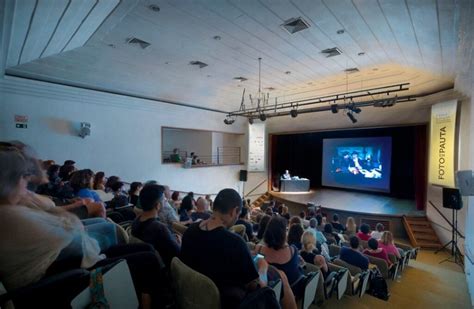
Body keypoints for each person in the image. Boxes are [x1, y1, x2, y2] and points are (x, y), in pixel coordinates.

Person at [0, 147, 164, 309]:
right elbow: (69, 230)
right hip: (61, 280)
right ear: (8, 182)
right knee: (148, 259)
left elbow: (57, 216)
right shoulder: (9, 216)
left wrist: (28, 197)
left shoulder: (14, 208)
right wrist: (74, 211)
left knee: (147, 248)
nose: (26, 184)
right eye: (22, 177)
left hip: (67, 264)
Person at [180, 189, 297, 309]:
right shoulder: (235, 243)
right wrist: (263, 267)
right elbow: (259, 286)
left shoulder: (190, 231)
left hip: (196, 298)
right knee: (280, 275)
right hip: (229, 301)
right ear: (234, 211)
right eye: (238, 213)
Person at [131, 184, 180, 267]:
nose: (165, 201)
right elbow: (177, 253)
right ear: (158, 205)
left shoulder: (136, 220)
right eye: (164, 199)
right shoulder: (159, 228)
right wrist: (179, 242)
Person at [255, 216, 305, 297]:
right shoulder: (292, 250)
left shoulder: (259, 249)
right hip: (290, 293)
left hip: (268, 292)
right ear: (284, 233)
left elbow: (257, 267)